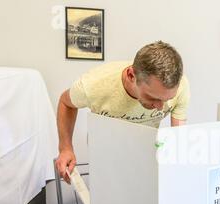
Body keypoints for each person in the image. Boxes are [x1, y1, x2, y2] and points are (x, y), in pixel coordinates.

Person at [55, 41, 190, 183]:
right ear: (131, 76)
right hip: (106, 154)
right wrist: (65, 148)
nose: (160, 107)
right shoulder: (94, 85)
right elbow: (66, 103)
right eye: (152, 97)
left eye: (168, 99)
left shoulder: (182, 86)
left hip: (144, 152)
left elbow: (179, 135)